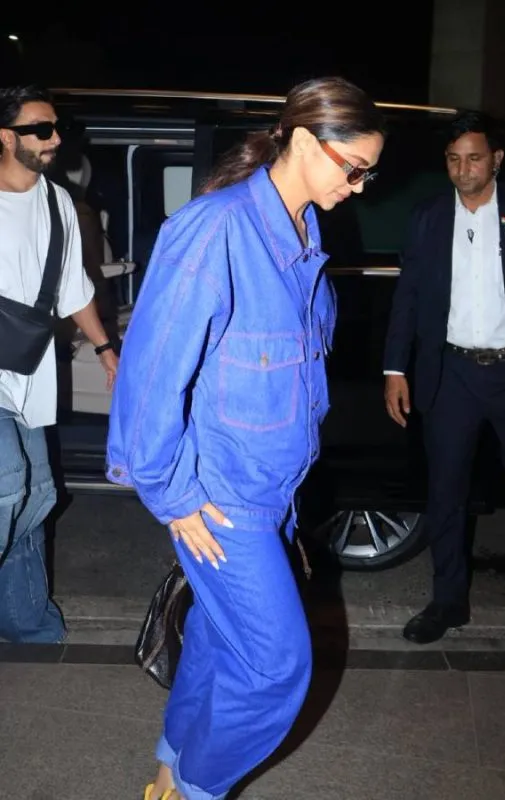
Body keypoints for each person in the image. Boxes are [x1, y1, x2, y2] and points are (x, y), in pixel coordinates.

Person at [105, 77, 385, 800]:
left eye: (368, 172)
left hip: (274, 490)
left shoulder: (305, 234)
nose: (359, 186)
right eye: (351, 167)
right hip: (223, 496)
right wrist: (173, 496)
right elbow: (151, 370)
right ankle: (198, 786)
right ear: (300, 140)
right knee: (276, 665)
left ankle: (171, 764)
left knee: (219, 641)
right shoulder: (216, 230)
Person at [382, 111, 505, 645]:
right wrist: (395, 367)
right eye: (453, 158)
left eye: (473, 157)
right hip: (451, 373)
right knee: (444, 494)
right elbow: (409, 297)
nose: (462, 168)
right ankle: (447, 602)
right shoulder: (428, 216)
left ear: (495, 159)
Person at [0, 85, 117, 644]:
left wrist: (104, 348)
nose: (54, 139)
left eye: (55, 128)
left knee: (38, 495)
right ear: (6, 137)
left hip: (31, 375)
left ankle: (26, 622)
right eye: (41, 129)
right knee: (7, 487)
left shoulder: (57, 203)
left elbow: (74, 291)